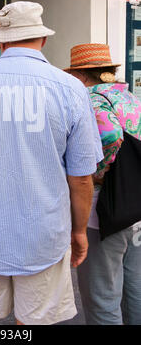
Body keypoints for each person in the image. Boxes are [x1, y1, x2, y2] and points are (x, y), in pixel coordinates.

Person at [0, 2, 103, 325]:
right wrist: (79, 231)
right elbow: (82, 178)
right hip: (44, 235)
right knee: (34, 318)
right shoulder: (70, 89)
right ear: (42, 40)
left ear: (0, 42)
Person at [65, 43, 141, 325]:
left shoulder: (91, 98)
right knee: (135, 288)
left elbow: (109, 135)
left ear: (81, 75)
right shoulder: (128, 96)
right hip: (135, 205)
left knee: (102, 296)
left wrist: (98, 170)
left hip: (105, 209)